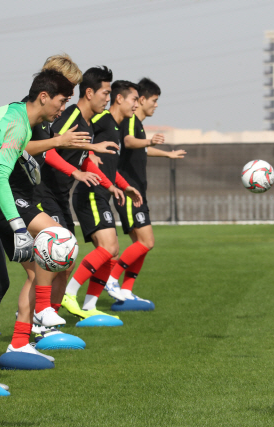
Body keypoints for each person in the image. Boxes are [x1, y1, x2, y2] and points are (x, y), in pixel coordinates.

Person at [0, 56, 118, 351]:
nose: (67, 100)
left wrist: (85, 149)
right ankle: (43, 315)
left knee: (44, 268)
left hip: (28, 194)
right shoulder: (27, 111)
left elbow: (46, 148)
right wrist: (63, 148)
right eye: (67, 90)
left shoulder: (48, 114)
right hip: (12, 193)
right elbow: (24, 147)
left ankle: (23, 339)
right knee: (58, 241)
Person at [34, 66, 126, 319]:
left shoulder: (88, 124)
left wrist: (110, 185)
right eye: (105, 93)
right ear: (89, 92)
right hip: (45, 196)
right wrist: (75, 173)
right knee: (52, 261)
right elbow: (49, 150)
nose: (108, 99)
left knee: (66, 261)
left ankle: (50, 316)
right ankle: (40, 318)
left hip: (62, 199)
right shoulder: (71, 115)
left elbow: (81, 157)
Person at [106, 78, 187, 307]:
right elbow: (130, 142)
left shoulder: (138, 124)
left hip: (137, 192)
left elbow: (140, 149)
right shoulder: (132, 121)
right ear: (141, 100)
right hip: (129, 192)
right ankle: (111, 280)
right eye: (154, 100)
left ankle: (126, 292)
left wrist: (166, 154)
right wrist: (149, 140)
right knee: (147, 242)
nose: (156, 105)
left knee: (139, 247)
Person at [71, 80, 143, 312]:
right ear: (119, 99)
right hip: (91, 192)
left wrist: (124, 186)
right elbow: (81, 140)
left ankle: (89, 306)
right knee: (109, 248)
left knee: (110, 254)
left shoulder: (116, 127)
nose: (137, 105)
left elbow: (111, 169)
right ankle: (67, 293)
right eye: (134, 100)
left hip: (103, 192)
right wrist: (88, 156)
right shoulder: (101, 120)